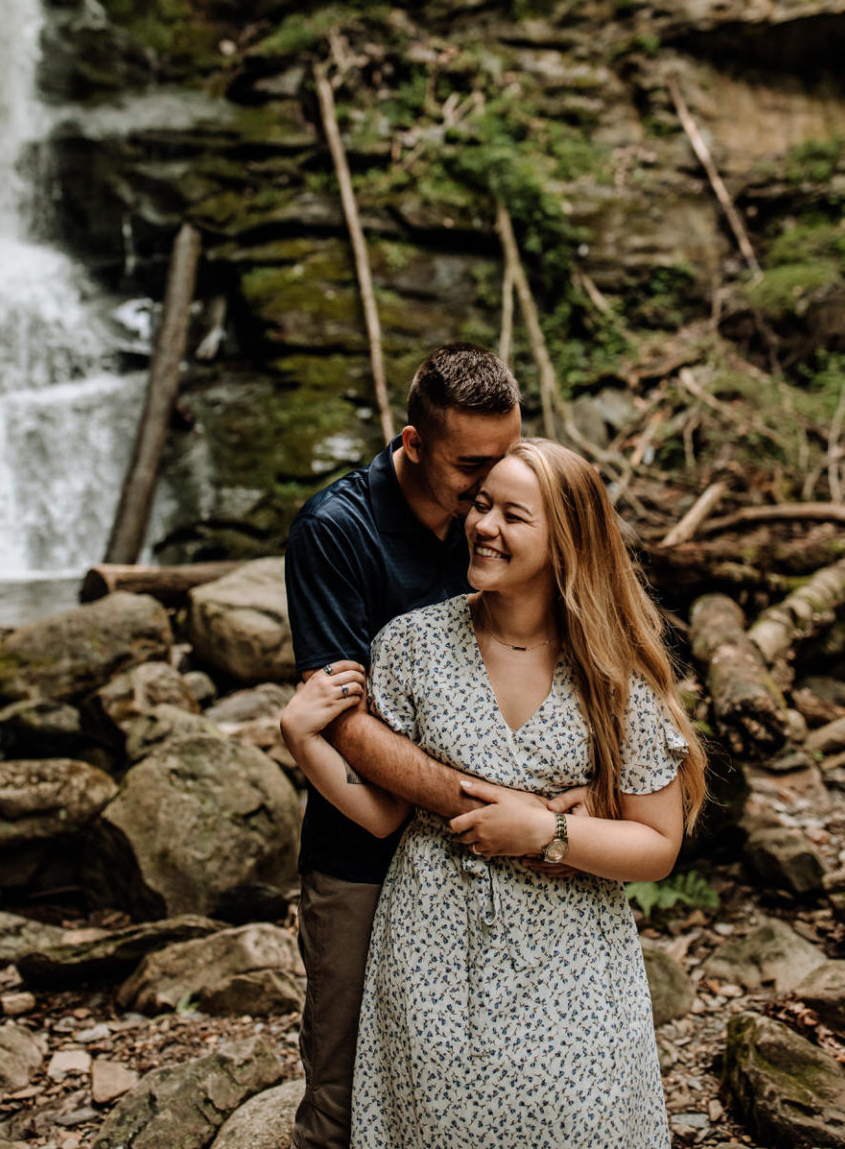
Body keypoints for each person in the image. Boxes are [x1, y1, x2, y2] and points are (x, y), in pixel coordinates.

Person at [282, 437, 706, 1149]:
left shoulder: (613, 672)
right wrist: (303, 741)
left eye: (513, 515)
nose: (483, 525)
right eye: (480, 505)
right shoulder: (411, 645)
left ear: (567, 541)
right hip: (431, 954)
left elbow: (658, 846)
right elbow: (384, 815)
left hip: (574, 958)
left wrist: (546, 834)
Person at [283, 345, 584, 1149]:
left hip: (503, 871)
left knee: (498, 1082)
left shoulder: (502, 516)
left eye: (510, 459)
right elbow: (344, 720)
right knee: (344, 1089)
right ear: (413, 445)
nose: (490, 494)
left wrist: (593, 796)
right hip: (364, 856)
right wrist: (511, 812)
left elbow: (586, 646)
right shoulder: (335, 531)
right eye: (472, 469)